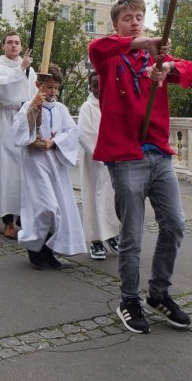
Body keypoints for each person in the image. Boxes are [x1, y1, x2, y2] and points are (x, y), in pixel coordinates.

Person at [88, 0, 192, 335]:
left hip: (160, 155)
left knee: (175, 224)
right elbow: (98, 47)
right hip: (126, 157)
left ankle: (159, 292)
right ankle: (129, 299)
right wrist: (148, 43)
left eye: (139, 17)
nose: (135, 22)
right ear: (117, 24)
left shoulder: (153, 59)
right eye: (127, 18)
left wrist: (167, 68)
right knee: (133, 235)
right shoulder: (109, 58)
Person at [13, 65, 84, 269]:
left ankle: (48, 250)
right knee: (45, 207)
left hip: (55, 164)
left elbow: (72, 131)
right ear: (38, 84)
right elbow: (18, 133)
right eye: (49, 87)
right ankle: (34, 248)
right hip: (35, 164)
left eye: (56, 88)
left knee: (59, 207)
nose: (53, 92)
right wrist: (32, 110)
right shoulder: (28, 105)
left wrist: (54, 142)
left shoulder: (60, 108)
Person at [0, 32, 36, 239]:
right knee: (7, 172)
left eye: (17, 43)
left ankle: (24, 218)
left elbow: (34, 92)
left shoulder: (29, 70)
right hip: (6, 120)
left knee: (26, 171)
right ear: (3, 46)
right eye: (10, 42)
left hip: (24, 118)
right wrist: (21, 69)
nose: (14, 46)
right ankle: (7, 220)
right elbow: (0, 91)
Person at [77, 72, 119, 259]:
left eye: (102, 84)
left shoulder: (112, 103)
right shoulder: (87, 107)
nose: (99, 88)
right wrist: (100, 154)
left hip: (113, 158)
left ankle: (111, 235)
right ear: (90, 86)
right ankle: (95, 241)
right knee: (93, 197)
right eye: (95, 85)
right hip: (94, 160)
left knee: (111, 199)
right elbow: (85, 134)